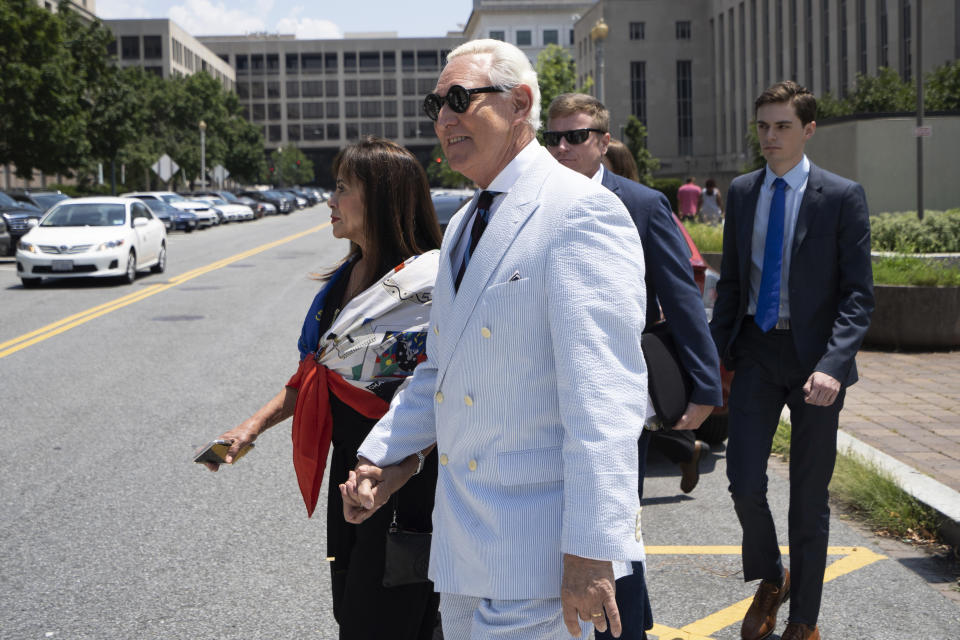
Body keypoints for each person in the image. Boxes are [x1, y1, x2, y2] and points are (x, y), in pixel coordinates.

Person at [341, 39, 649, 640]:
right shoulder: (463, 224)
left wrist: (592, 550)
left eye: (460, 99)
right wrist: (382, 457)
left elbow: (605, 397)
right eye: (436, 105)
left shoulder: (579, 212)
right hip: (465, 548)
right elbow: (440, 367)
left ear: (520, 104)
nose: (444, 119)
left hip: (542, 558)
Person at [202, 137, 444, 640]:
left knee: (385, 618)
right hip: (349, 470)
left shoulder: (428, 287)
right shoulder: (342, 279)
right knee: (353, 606)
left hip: (402, 478)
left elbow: (439, 397)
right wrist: (251, 428)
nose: (329, 201)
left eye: (341, 188)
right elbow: (314, 376)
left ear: (380, 198)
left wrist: (395, 470)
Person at [545, 92, 722, 640]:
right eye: (553, 137)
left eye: (576, 136)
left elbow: (682, 299)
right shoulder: (535, 200)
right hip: (547, 391)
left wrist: (705, 385)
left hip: (617, 394)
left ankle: (625, 631)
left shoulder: (641, 204)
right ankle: (628, 620)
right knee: (571, 526)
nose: (563, 147)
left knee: (615, 520)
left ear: (602, 141)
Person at [710, 81, 874, 640]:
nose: (770, 136)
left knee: (809, 495)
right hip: (757, 352)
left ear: (807, 130)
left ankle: (804, 619)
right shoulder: (742, 193)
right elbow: (731, 284)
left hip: (816, 363)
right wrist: (712, 359)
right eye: (762, 126)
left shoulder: (842, 196)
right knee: (741, 480)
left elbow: (858, 296)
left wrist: (834, 364)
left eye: (782, 126)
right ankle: (772, 575)